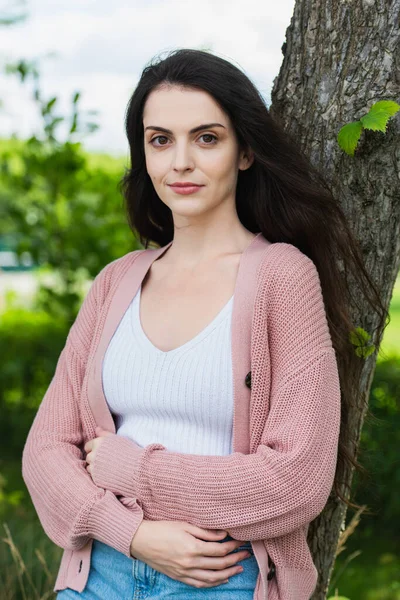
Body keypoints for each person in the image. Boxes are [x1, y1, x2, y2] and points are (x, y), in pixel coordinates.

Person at [22, 48, 388, 600]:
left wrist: (133, 471)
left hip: (225, 580)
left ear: (244, 152)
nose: (181, 162)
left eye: (207, 138)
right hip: (99, 574)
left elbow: (295, 482)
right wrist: (132, 532)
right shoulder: (115, 282)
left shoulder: (282, 279)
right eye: (160, 139)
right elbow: (46, 451)